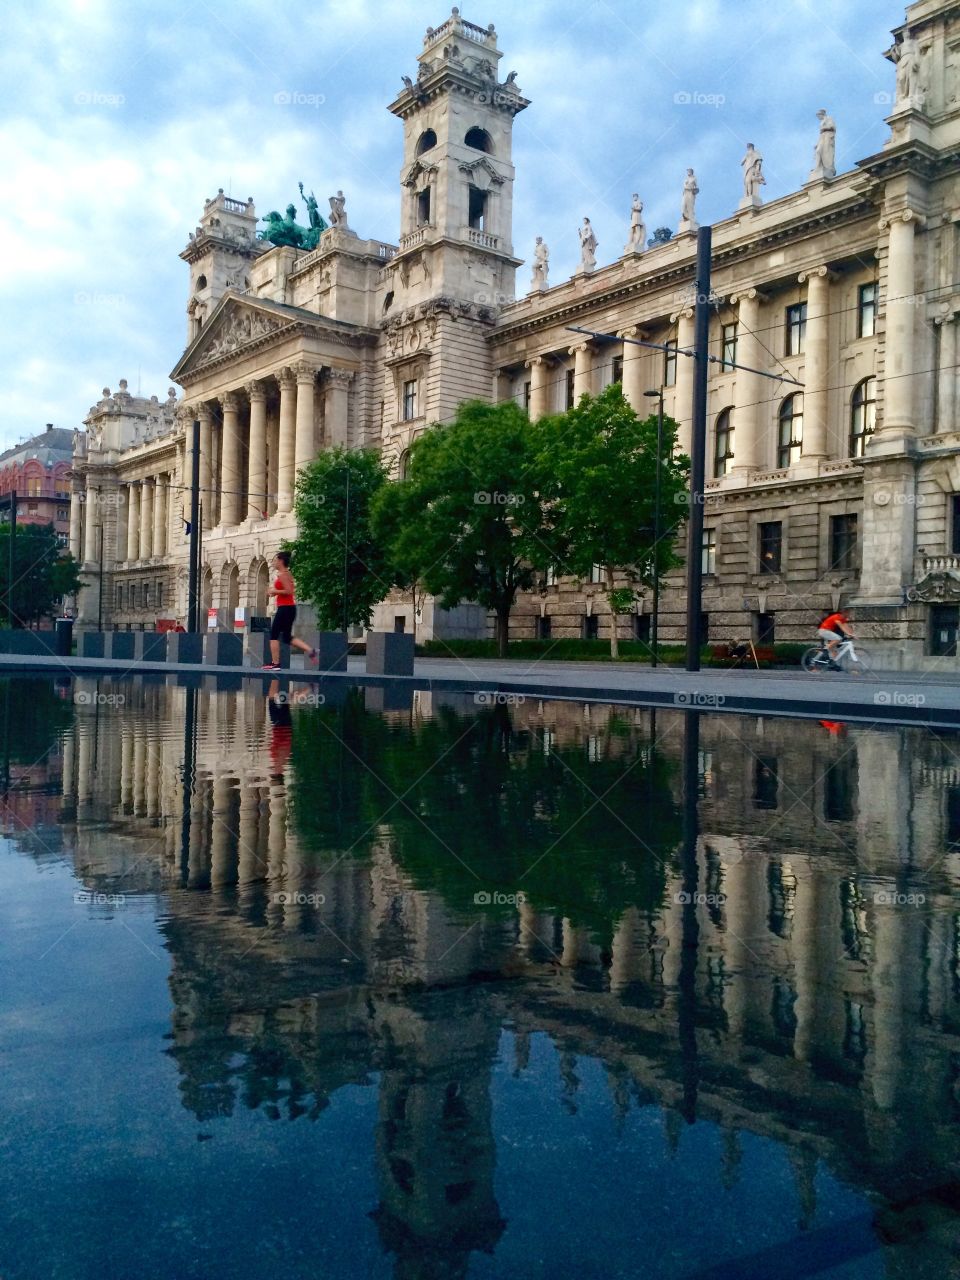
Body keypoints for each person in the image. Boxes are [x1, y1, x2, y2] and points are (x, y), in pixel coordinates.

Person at [263, 551, 317, 670]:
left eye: (275, 560)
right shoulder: (286, 574)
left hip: (285, 608)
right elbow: (287, 591)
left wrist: (274, 591)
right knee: (286, 637)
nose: (273, 562)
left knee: (273, 635)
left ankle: (275, 663)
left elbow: (289, 591)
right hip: (288, 608)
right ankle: (310, 650)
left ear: (281, 561)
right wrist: (274, 593)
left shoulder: (283, 575)